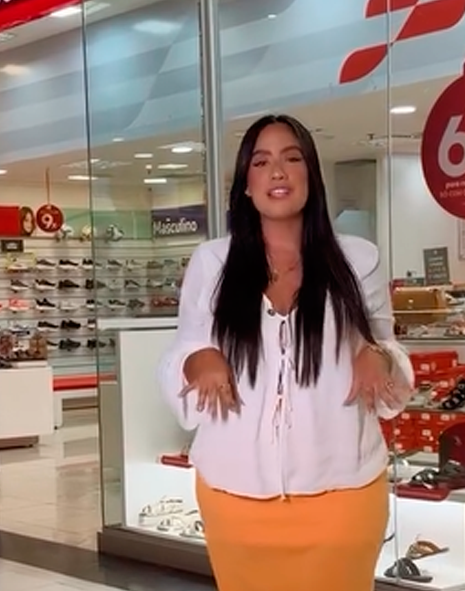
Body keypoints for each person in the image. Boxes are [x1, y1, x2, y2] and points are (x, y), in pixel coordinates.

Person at [158, 114, 414, 591]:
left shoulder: (358, 260)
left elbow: (386, 348)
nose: (277, 171)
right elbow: (184, 349)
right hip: (234, 493)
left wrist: (377, 356)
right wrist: (198, 360)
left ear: (311, 174)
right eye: (261, 162)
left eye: (292, 158)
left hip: (343, 493)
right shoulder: (213, 263)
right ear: (246, 184)